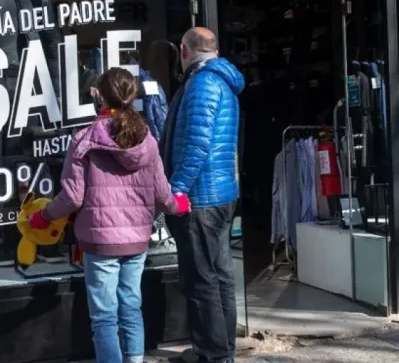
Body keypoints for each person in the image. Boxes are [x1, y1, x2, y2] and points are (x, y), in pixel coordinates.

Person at [28, 68, 191, 363]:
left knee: (104, 316)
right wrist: (179, 204)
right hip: (137, 240)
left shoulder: (84, 140)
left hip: (101, 240)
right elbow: (162, 196)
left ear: (98, 95)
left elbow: (72, 197)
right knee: (131, 306)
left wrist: (43, 217)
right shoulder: (148, 141)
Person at [161, 27, 245, 363]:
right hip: (220, 193)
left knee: (202, 280)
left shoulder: (201, 84)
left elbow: (195, 145)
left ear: (184, 51)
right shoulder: (221, 81)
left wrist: (175, 191)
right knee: (220, 276)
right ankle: (222, 350)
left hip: (201, 198)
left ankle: (212, 354)